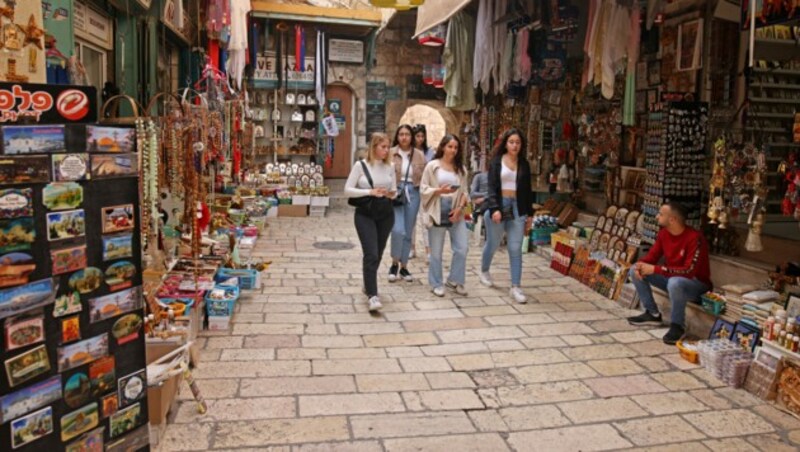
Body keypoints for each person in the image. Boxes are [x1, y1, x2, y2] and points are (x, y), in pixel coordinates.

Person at [627, 202, 712, 344]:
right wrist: (640, 265)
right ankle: (652, 313)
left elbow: (688, 271)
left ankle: (677, 326)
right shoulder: (663, 234)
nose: (656, 216)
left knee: (675, 282)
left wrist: (656, 269)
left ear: (672, 219)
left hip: (696, 285)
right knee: (634, 268)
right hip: (672, 278)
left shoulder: (695, 238)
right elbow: (652, 257)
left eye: (660, 214)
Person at [344, 133, 397, 311]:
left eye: (388, 146)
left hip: (386, 213)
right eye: (383, 146)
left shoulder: (390, 166)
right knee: (371, 253)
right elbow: (347, 190)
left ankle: (368, 282)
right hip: (365, 214)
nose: (386, 150)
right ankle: (373, 296)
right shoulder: (361, 165)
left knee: (379, 253)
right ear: (374, 147)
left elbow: (395, 190)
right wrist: (369, 192)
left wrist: (390, 193)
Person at [480, 128, 533, 304]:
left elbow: (528, 190)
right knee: (493, 243)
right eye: (511, 142)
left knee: (515, 248)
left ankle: (516, 286)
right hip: (500, 205)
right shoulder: (496, 162)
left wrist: (530, 215)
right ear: (505, 143)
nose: (515, 145)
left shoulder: (524, 164)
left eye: (518, 142)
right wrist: (495, 208)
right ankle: (484, 270)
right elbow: (491, 187)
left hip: (518, 207)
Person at [420, 134, 470, 297]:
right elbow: (423, 189)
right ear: (443, 147)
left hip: (456, 210)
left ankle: (455, 280)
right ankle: (436, 283)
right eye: (450, 146)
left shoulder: (461, 169)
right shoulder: (432, 166)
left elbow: (465, 192)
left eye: (456, 147)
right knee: (436, 251)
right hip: (437, 209)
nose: (453, 150)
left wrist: (460, 208)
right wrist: (439, 190)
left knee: (462, 248)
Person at [389, 124, 426, 282]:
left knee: (409, 230)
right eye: (401, 134)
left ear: (411, 137)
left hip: (413, 192)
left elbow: (423, 177)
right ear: (397, 136)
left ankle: (404, 267)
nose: (404, 137)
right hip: (396, 192)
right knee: (398, 230)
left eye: (407, 134)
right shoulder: (391, 153)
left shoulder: (418, 155)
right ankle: (394, 262)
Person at [411, 124, 436, 260]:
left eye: (422, 136)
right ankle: (412, 248)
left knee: (425, 220)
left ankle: (428, 251)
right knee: (411, 221)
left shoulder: (429, 152)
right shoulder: (410, 152)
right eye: (418, 136)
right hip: (413, 189)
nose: (420, 139)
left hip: (425, 189)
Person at [470, 168, 489, 245]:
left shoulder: (500, 177)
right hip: (485, 204)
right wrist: (487, 195)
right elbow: (472, 194)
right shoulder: (478, 177)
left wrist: (484, 197)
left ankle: (477, 213)